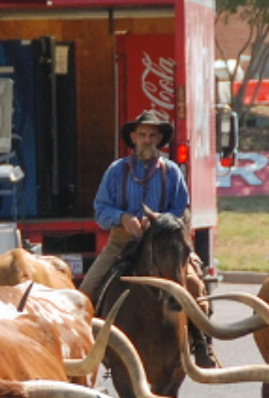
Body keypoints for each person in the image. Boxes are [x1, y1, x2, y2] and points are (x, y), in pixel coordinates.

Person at [79, 110, 191, 303]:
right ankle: (92, 332)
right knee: (87, 290)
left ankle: (198, 333)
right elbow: (101, 209)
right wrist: (123, 217)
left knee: (196, 289)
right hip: (121, 243)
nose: (147, 140)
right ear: (133, 138)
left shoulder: (172, 172)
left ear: (159, 139)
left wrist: (160, 220)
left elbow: (183, 210)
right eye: (142, 135)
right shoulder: (116, 170)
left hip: (164, 246)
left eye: (152, 135)